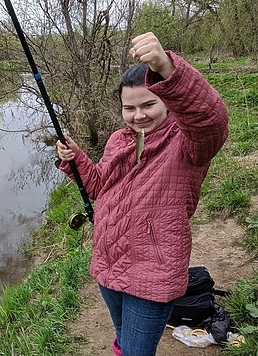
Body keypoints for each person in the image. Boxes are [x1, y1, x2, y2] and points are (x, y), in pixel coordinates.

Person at [56, 32, 229, 356]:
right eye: (129, 108)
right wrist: (76, 157)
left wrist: (166, 66)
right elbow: (98, 186)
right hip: (109, 262)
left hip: (153, 273)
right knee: (124, 339)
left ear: (167, 98)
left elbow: (211, 120)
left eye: (149, 104)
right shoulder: (119, 140)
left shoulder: (188, 142)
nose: (139, 116)